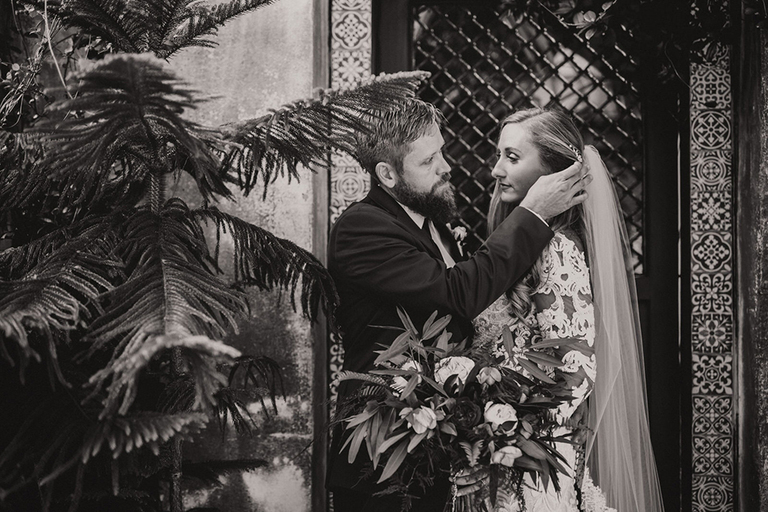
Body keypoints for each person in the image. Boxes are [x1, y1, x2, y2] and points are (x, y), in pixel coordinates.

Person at [325, 100, 591, 512]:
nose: (446, 166)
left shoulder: (437, 225)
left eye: (442, 152)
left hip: (447, 460)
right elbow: (457, 294)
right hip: (383, 458)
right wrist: (533, 212)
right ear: (387, 175)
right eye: (428, 160)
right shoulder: (362, 228)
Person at [469, 107, 664, 511]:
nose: (496, 170)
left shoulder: (556, 248)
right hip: (501, 457)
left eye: (511, 157)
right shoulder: (518, 246)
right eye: (498, 155)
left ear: (552, 172)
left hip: (529, 463)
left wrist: (511, 432)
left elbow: (576, 370)